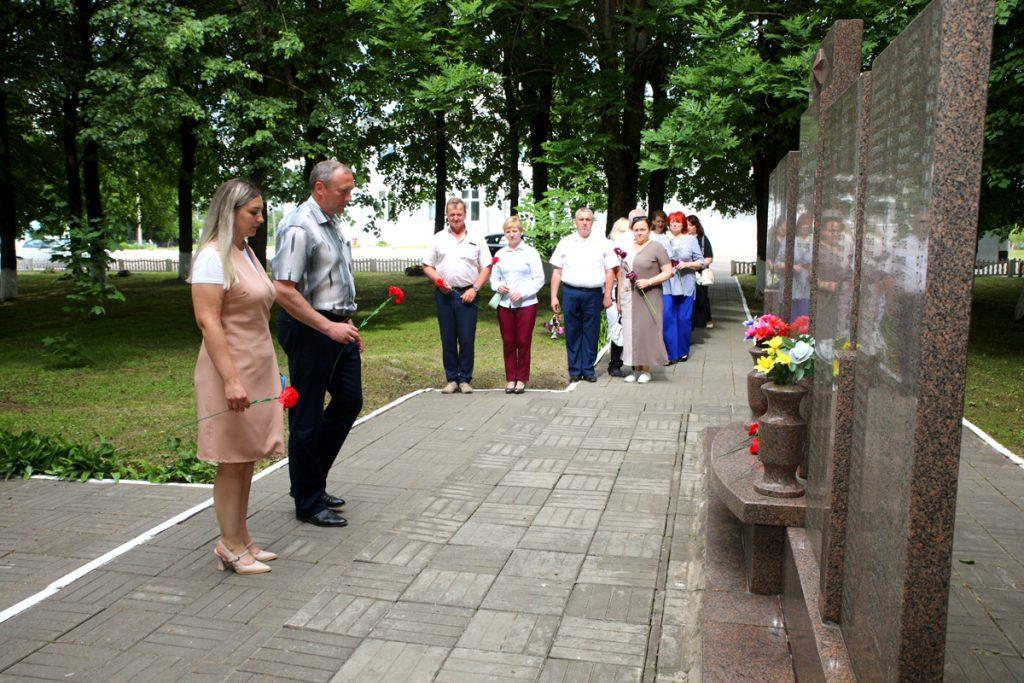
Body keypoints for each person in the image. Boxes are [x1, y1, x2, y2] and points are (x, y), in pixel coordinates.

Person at [191, 178, 284, 574]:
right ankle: (228, 546)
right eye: (253, 212)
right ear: (229, 212)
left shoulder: (243, 252)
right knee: (231, 459)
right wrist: (230, 379)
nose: (260, 219)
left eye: (261, 212)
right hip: (230, 369)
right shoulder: (213, 256)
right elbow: (208, 321)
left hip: (256, 365)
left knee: (245, 458)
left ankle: (241, 538)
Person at [272, 160, 361, 528]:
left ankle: (310, 480)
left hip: (337, 326)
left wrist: (346, 319)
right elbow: (283, 290)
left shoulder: (333, 223)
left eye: (351, 189)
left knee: (349, 400)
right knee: (306, 414)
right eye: (344, 190)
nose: (349, 197)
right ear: (320, 188)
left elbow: (334, 279)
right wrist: (328, 327)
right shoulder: (298, 226)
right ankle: (307, 501)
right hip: (310, 329)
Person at [422, 197, 492, 394]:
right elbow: (427, 265)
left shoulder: (476, 239)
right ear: (447, 216)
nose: (455, 218)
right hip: (444, 294)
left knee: (467, 338)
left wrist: (474, 289)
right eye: (452, 215)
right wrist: (438, 281)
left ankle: (465, 379)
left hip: (468, 294)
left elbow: (486, 267)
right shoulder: (438, 238)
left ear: (465, 215)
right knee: (448, 337)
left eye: (459, 214)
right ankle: (451, 379)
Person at [549, 207, 615, 382]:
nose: (584, 222)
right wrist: (554, 296)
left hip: (594, 294)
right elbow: (557, 271)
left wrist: (607, 294)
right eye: (581, 219)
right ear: (575, 222)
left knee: (591, 332)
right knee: (572, 332)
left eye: (588, 219)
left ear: (593, 222)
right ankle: (574, 370)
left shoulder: (603, 243)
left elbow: (610, 271)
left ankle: (588, 369)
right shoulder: (566, 242)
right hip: (571, 292)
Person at [490, 216, 545, 394]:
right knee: (508, 342)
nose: (511, 234)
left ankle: (521, 379)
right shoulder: (499, 254)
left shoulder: (531, 253)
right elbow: (494, 278)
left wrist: (523, 292)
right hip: (505, 304)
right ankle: (510, 378)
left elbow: (539, 279)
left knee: (522, 341)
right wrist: (498, 286)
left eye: (515, 231)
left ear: (521, 232)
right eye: (508, 231)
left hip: (526, 303)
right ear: (505, 234)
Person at [616, 216, 675, 382]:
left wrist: (649, 281)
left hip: (649, 295)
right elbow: (621, 274)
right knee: (631, 332)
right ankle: (635, 369)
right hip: (630, 296)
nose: (639, 233)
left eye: (642, 229)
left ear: (649, 229)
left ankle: (646, 370)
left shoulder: (657, 248)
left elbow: (668, 271)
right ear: (632, 231)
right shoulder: (627, 249)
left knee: (647, 331)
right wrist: (620, 298)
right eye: (636, 230)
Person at [663, 212, 706, 363]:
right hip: (668, 283)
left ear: (683, 225)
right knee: (668, 317)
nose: (674, 224)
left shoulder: (690, 240)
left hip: (686, 283)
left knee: (683, 318)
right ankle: (670, 353)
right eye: (672, 222)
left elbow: (700, 262)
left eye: (678, 222)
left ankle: (682, 350)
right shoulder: (664, 239)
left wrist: (686, 264)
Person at [606, 217, 632, 377]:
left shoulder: (615, 246)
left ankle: (616, 363)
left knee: (619, 328)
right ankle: (616, 363)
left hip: (624, 292)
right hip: (618, 293)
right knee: (619, 328)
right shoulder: (613, 248)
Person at [688, 214, 715, 329]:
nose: (688, 227)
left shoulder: (702, 238)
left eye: (690, 225)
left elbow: (709, 257)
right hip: (687, 272)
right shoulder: (683, 238)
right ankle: (692, 320)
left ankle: (707, 319)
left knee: (702, 297)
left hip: (700, 272)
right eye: (687, 225)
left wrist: (698, 266)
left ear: (696, 226)